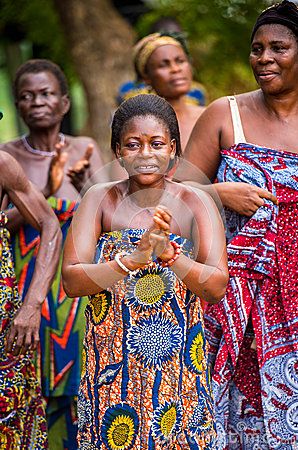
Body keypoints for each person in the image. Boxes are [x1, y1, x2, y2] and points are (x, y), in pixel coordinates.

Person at [62, 94, 228, 449]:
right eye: (133, 145)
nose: (146, 154)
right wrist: (131, 261)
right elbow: (72, 281)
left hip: (178, 368)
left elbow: (215, 287)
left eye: (156, 144)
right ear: (118, 151)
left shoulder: (196, 202)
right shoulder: (99, 199)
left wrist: (171, 257)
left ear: (173, 150)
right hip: (111, 368)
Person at [184, 1, 298, 448]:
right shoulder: (223, 114)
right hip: (232, 300)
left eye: (278, 48)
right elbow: (164, 196)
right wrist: (217, 193)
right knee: (236, 423)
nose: (264, 58)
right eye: (256, 49)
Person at [0, 59, 106, 449]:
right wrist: (44, 190)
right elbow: (5, 225)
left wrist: (85, 185)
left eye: (46, 94)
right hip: (25, 282)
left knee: (77, 379)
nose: (37, 102)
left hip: (75, 284)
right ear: (17, 106)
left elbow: (109, 218)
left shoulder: (85, 149)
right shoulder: (7, 155)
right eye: (26, 97)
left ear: (64, 102)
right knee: (31, 377)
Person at [0, 150, 61, 448]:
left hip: (6, 331)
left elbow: (49, 225)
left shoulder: (2, 165)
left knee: (12, 426)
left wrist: (32, 305)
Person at [133, 32, 205, 152]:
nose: (176, 69)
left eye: (180, 61)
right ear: (146, 77)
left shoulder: (209, 116)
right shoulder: (137, 125)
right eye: (163, 65)